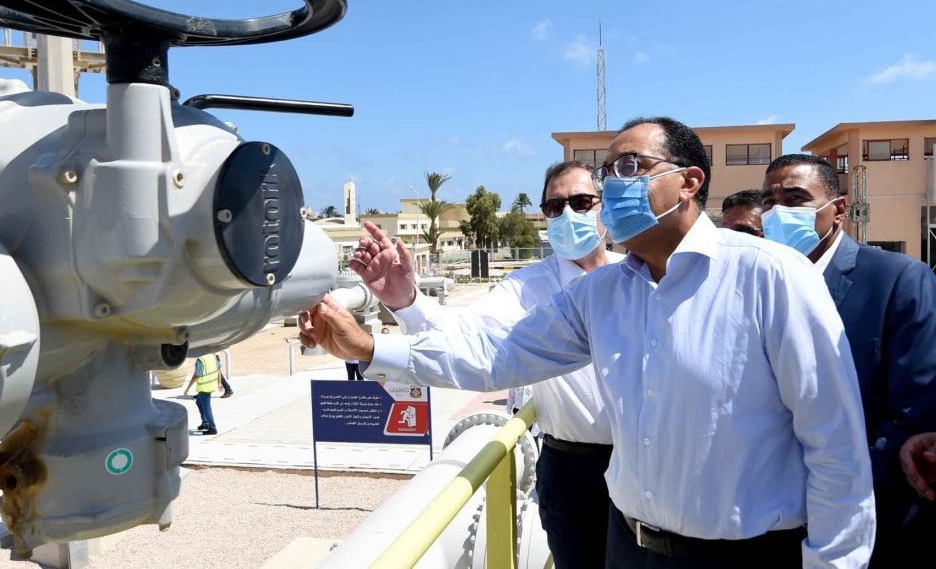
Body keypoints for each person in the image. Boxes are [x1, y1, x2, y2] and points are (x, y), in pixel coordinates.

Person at [301, 117, 875, 568]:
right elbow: (496, 354)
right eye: (608, 172)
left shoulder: (770, 276)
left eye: (631, 166)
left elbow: (834, 443)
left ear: (689, 182)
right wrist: (370, 349)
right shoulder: (600, 295)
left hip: (744, 556)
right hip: (628, 547)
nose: (612, 185)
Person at [347, 161, 622, 568]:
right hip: (575, 471)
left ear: (604, 206)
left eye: (581, 202)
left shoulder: (635, 276)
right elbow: (468, 334)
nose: (567, 215)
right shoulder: (527, 287)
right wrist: (406, 301)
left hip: (646, 462)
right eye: (554, 207)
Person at [762, 153, 936, 566]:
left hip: (870, 510)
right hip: (768, 514)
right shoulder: (759, 281)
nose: (778, 211)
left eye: (795, 198)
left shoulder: (896, 278)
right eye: (769, 201)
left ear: (838, 209)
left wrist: (832, 483)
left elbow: (915, 409)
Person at [182, 353, 222, 435]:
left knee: (206, 407)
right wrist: (219, 383)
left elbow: (196, 375)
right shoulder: (212, 356)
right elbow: (218, 370)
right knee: (199, 402)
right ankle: (205, 423)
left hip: (204, 387)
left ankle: (212, 428)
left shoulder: (200, 360)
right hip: (211, 384)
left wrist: (188, 388)